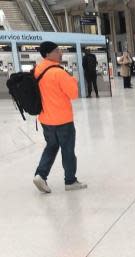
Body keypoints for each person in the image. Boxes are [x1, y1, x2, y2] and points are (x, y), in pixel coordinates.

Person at [32, 41, 86, 193]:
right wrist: (73, 80)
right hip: (62, 119)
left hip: (45, 119)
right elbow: (73, 94)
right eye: (57, 51)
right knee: (67, 150)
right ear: (48, 54)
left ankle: (40, 175)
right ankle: (70, 181)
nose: (60, 53)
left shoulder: (37, 70)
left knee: (51, 146)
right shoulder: (58, 72)